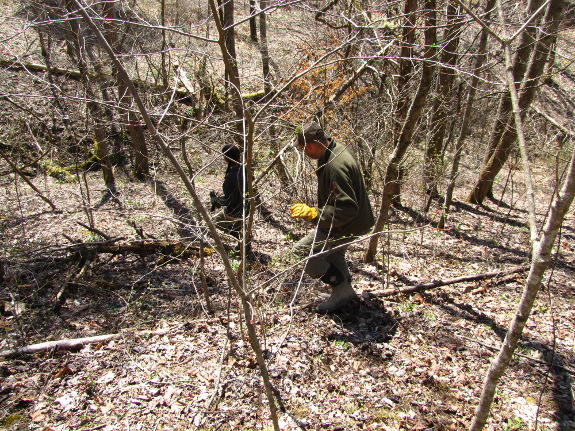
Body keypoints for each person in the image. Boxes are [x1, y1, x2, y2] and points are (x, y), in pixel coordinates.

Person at [290, 122, 374, 313]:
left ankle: (341, 289)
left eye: (303, 149)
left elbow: (347, 207)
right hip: (357, 220)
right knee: (335, 254)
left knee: (302, 252)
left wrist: (314, 213)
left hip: (347, 223)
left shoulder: (335, 165)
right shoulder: (334, 149)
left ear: (310, 145)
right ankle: (344, 292)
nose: (304, 153)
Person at [210, 144, 249, 247]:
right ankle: (243, 244)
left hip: (235, 210)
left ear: (227, 158)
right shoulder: (244, 168)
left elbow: (229, 200)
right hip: (245, 207)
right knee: (238, 226)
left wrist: (215, 200)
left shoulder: (233, 176)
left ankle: (241, 242)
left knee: (214, 223)